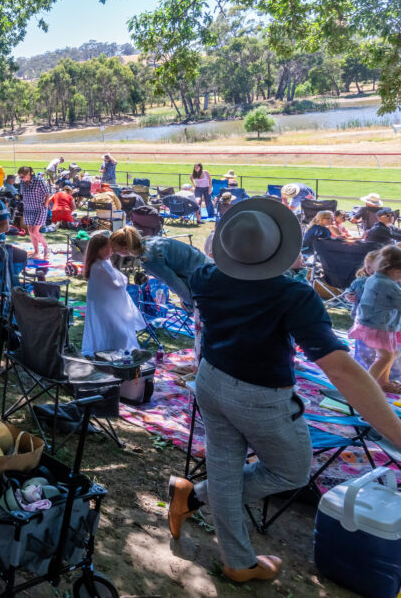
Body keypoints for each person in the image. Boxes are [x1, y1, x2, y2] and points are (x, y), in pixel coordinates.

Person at [167, 198, 401, 583]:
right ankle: (196, 499)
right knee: (291, 471)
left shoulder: (206, 277)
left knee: (226, 472)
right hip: (260, 397)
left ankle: (233, 554)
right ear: (278, 250)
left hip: (210, 379)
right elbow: (341, 370)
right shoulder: (291, 294)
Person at [109, 226, 210, 312]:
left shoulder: (148, 259)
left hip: (205, 276)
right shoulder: (148, 241)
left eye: (115, 250)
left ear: (125, 248)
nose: (114, 253)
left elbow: (173, 282)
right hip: (206, 265)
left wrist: (190, 304)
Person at [81, 234, 146, 356]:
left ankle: (114, 352)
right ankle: (109, 352)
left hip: (110, 304)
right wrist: (123, 280)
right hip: (105, 306)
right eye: (107, 248)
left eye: (111, 248)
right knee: (114, 331)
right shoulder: (98, 266)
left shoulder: (104, 263)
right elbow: (117, 283)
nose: (111, 251)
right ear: (97, 250)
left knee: (117, 331)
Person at [348, 245, 401, 393]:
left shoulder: (375, 278)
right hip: (378, 326)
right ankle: (366, 388)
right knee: (385, 356)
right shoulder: (388, 284)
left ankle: (382, 383)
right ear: (395, 271)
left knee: (391, 353)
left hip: (375, 324)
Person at [16, 166, 49, 258]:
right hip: (28, 208)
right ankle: (36, 252)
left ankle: (46, 247)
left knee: (35, 231)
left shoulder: (39, 180)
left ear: (29, 173)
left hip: (39, 208)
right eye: (20, 177)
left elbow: (47, 193)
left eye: (23, 176)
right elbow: (22, 194)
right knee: (30, 231)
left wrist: (45, 205)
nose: (21, 179)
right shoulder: (23, 182)